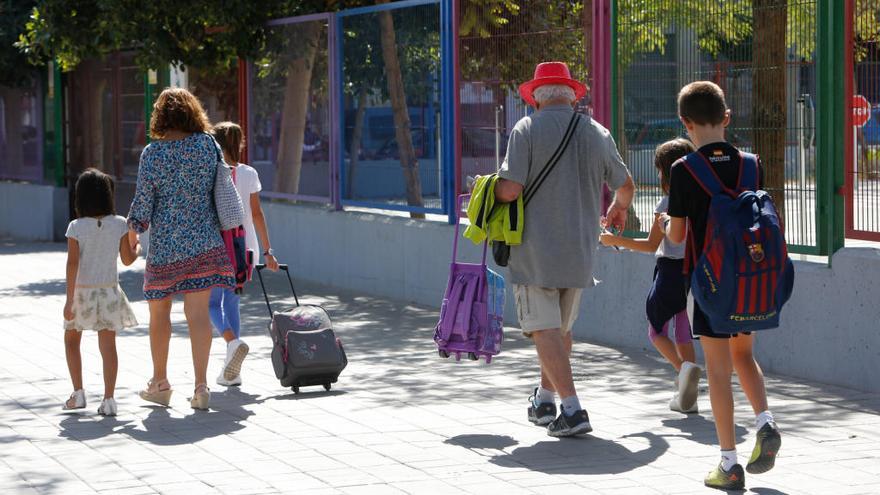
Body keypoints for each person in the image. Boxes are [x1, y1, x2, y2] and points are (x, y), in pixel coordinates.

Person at [495, 62, 635, 437]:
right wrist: (618, 209)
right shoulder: (597, 132)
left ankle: (572, 409)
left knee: (544, 330)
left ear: (536, 99)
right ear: (572, 95)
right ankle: (544, 399)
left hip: (535, 250)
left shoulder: (525, 129)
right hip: (581, 248)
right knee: (557, 329)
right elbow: (626, 186)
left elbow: (510, 190)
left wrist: (486, 188)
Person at [665, 81, 780, 490]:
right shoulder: (752, 163)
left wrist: (665, 222)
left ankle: (729, 464)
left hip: (710, 286)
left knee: (717, 370)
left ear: (685, 123)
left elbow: (677, 238)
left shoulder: (683, 170)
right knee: (744, 355)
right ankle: (765, 420)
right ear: (726, 117)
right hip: (749, 282)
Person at [128, 87, 236, 411]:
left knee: (159, 312)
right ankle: (201, 387)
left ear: (160, 117)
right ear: (194, 113)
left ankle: (160, 383)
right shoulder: (208, 145)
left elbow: (144, 202)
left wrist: (133, 231)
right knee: (198, 314)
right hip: (204, 242)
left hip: (165, 248)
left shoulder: (152, 153)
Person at [600, 138, 702, 414]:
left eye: (659, 170)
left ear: (668, 173)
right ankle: (687, 395)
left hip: (669, 272)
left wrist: (613, 241)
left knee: (655, 329)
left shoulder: (667, 204)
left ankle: (684, 373)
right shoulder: (701, 199)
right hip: (692, 273)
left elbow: (649, 245)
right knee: (684, 332)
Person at [63, 168, 139, 416]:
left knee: (72, 341)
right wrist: (136, 248)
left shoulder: (75, 227)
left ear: (80, 197)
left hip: (82, 294)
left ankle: (78, 393)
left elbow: (72, 263)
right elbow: (127, 260)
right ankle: (109, 399)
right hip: (108, 294)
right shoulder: (119, 224)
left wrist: (68, 299)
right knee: (108, 347)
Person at [209, 122, 280, 387]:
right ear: (239, 143)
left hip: (217, 247)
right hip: (245, 250)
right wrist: (267, 250)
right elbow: (258, 214)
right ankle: (233, 371)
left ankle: (233, 342)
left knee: (210, 304)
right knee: (232, 303)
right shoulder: (249, 173)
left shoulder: (212, 171)